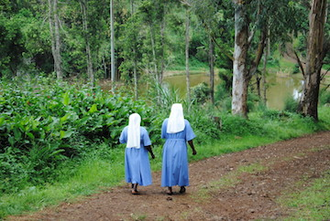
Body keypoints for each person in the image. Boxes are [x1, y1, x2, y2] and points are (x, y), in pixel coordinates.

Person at [161, 103, 197, 195]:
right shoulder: (185, 123)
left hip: (168, 145)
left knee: (168, 165)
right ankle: (182, 186)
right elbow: (189, 139)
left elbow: (163, 135)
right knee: (181, 166)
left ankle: (169, 188)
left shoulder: (166, 122)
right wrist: (193, 149)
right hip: (180, 146)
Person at [119, 113, 155, 195]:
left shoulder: (126, 129)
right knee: (138, 168)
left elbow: (122, 140)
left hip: (129, 151)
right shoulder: (142, 130)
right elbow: (147, 144)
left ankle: (133, 184)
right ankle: (134, 187)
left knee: (132, 167)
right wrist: (151, 153)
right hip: (140, 150)